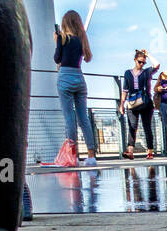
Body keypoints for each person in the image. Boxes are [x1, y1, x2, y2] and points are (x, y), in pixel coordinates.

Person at [53, 11, 97, 166]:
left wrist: (56, 41)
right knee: (83, 118)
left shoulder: (62, 38)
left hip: (65, 77)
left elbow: (57, 58)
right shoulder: (81, 40)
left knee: (69, 118)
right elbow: (88, 57)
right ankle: (91, 156)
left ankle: (73, 156)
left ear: (65, 23)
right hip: (79, 78)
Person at [119, 49, 157, 160]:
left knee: (147, 127)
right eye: (139, 62)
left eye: (143, 62)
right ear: (135, 60)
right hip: (132, 103)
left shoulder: (146, 72)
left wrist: (148, 54)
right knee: (132, 127)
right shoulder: (127, 73)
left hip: (146, 103)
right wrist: (121, 104)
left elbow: (157, 65)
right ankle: (130, 151)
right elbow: (125, 90)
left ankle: (150, 152)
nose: (141, 64)